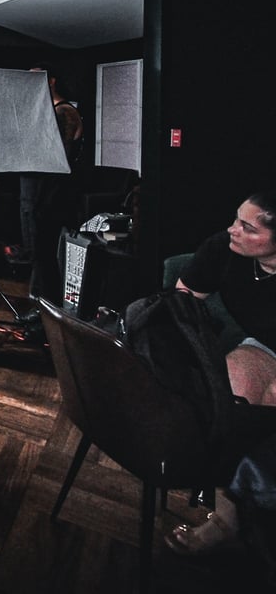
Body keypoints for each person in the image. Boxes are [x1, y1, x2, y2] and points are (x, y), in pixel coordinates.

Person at [165, 190, 276, 554]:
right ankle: (226, 519)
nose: (233, 230)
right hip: (265, 345)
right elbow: (182, 301)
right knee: (229, 394)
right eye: (236, 219)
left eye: (248, 228)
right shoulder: (224, 248)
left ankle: (262, 507)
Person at [26, 65, 83, 306]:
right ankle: (40, 305)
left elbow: (58, 156)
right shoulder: (48, 111)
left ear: (51, 81)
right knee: (38, 252)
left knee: (45, 253)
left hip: (54, 194)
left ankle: (49, 311)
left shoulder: (64, 111)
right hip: (41, 192)